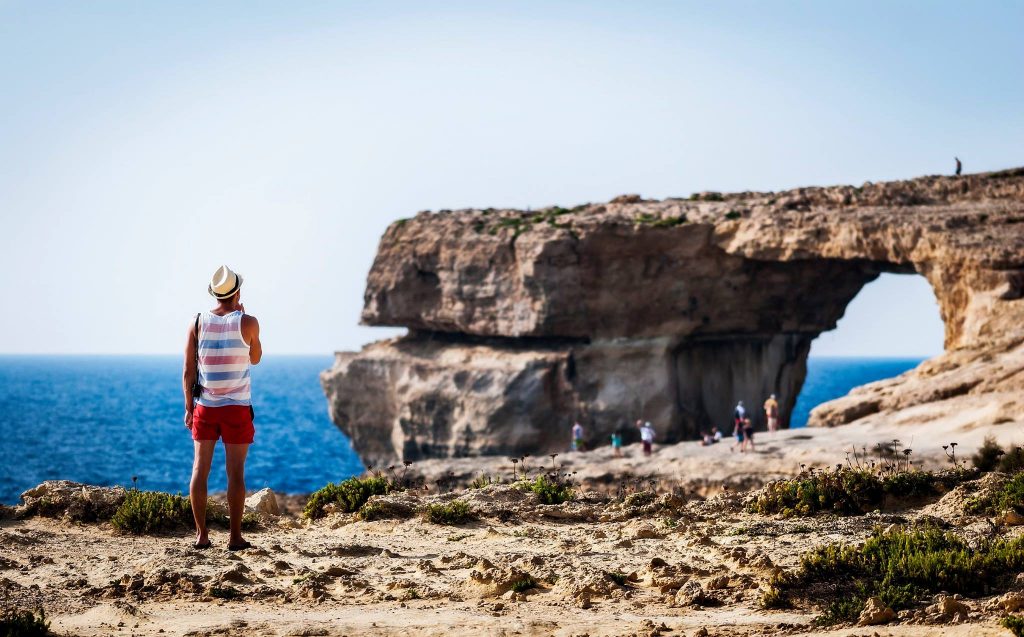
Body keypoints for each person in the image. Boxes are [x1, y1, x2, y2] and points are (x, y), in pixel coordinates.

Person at [183, 265, 262, 551]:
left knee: (199, 469)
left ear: (215, 293)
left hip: (205, 406)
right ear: (237, 292)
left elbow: (187, 372)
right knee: (236, 473)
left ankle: (201, 535)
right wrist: (242, 317)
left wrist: (189, 408)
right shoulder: (249, 322)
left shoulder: (197, 321)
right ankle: (234, 537)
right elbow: (255, 358)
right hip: (237, 408)